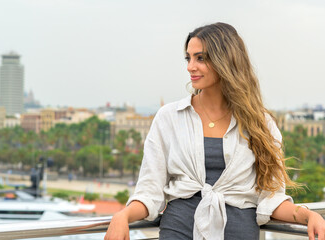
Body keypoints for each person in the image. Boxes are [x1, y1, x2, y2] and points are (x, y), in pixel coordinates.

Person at [104, 22, 325, 240]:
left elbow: (272, 200)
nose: (191, 66)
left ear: (226, 60)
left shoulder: (261, 124)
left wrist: (308, 216)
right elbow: (150, 192)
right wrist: (122, 217)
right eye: (188, 58)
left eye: (200, 58)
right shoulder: (169, 117)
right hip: (178, 232)